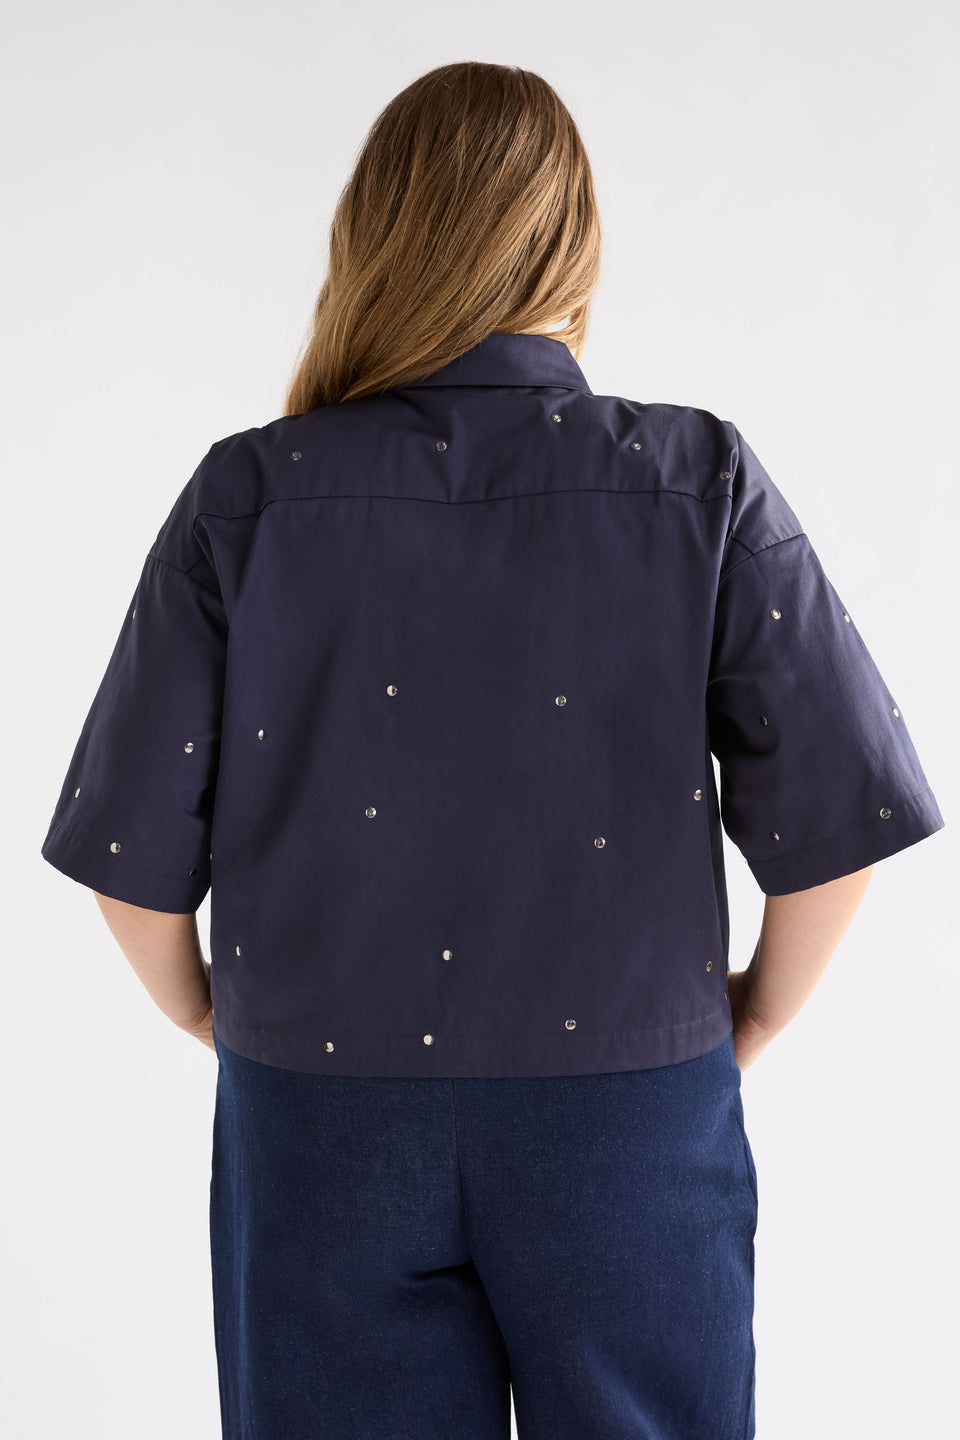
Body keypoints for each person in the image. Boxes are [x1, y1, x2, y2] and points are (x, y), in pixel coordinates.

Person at [40, 60, 944, 1440]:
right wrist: (750, 1020)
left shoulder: (251, 494)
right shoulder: (692, 478)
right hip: (632, 1118)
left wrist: (208, 1017)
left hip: (320, 1120)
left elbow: (131, 857)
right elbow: (839, 811)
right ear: (572, 242)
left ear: (375, 238)